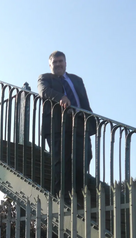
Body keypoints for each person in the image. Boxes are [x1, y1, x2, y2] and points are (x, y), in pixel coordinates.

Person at [37, 51, 95, 200]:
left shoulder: (76, 80)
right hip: (57, 127)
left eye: (60, 61)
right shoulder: (45, 78)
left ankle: (79, 195)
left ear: (65, 63)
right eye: (54, 62)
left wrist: (92, 121)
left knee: (84, 157)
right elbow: (43, 91)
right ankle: (62, 197)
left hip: (80, 124)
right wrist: (61, 97)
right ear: (50, 64)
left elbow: (84, 101)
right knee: (61, 161)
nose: (57, 64)